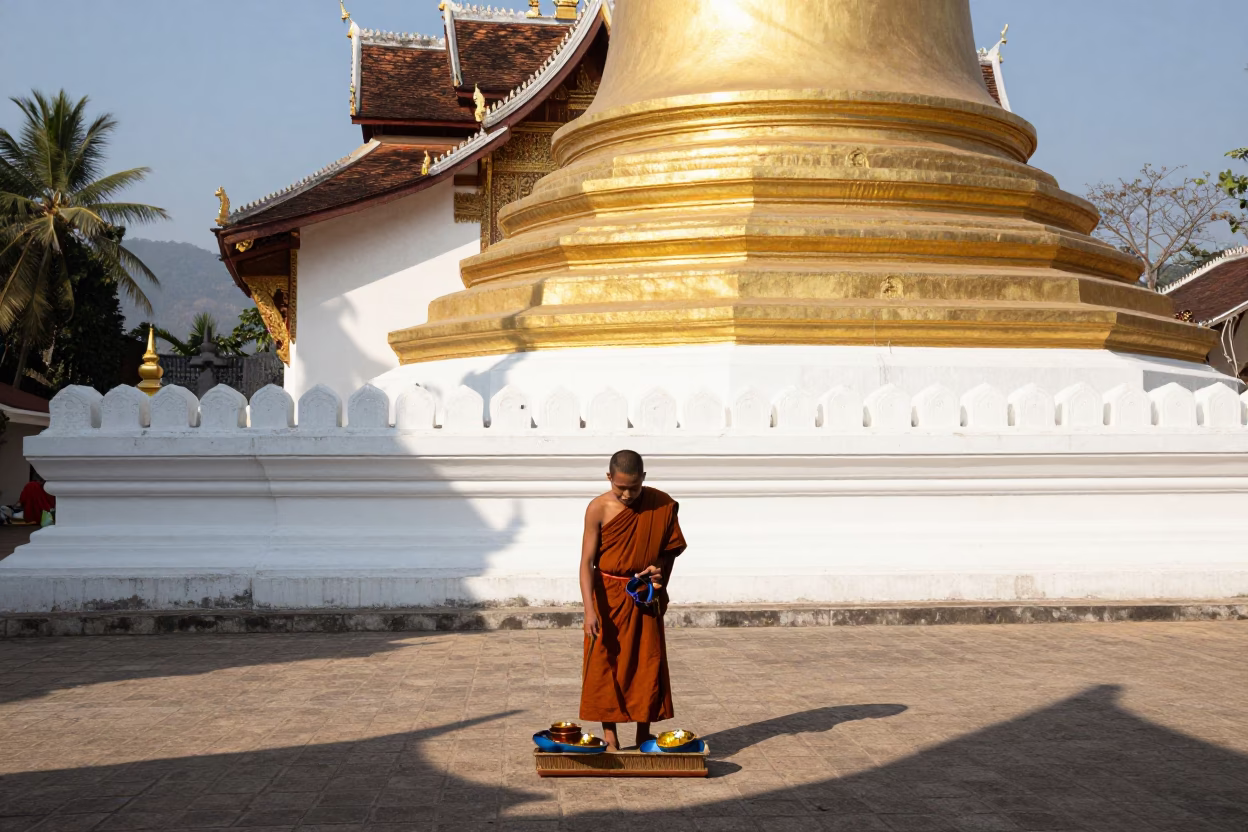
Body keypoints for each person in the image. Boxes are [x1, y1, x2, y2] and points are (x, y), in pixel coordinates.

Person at [579, 449, 687, 751]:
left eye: (634, 487)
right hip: (607, 595)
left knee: (646, 662)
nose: (627, 494)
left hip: (643, 594)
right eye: (621, 488)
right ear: (609, 478)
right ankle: (610, 734)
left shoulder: (661, 504)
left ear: (644, 478)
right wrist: (589, 610)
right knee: (605, 663)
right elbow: (587, 562)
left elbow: (668, 552)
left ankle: (643, 732)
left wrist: (659, 574)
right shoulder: (598, 508)